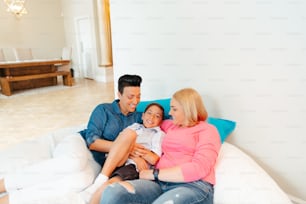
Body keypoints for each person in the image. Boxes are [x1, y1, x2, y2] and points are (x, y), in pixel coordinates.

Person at [0, 74, 143, 204]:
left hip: (98, 162)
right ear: (119, 94)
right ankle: (3, 185)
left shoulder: (138, 117)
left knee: (80, 181)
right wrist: (124, 147)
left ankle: (12, 199)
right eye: (131, 97)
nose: (135, 101)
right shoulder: (104, 110)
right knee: (73, 164)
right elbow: (92, 142)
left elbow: (161, 117)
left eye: (138, 96)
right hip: (80, 144)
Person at [100, 88, 222, 204]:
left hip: (191, 186)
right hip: (157, 184)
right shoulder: (170, 125)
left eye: (174, 109)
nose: (169, 113)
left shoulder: (208, 130)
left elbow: (199, 168)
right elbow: (147, 118)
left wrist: (154, 173)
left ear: (187, 109)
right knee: (113, 192)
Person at [89, 102, 166, 204]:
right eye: (149, 113)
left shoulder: (158, 134)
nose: (151, 117)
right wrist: (131, 151)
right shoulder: (135, 126)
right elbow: (120, 142)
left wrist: (133, 152)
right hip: (119, 158)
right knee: (128, 134)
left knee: (109, 185)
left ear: (161, 121)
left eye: (157, 116)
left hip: (133, 166)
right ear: (142, 116)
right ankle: (99, 183)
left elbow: (153, 158)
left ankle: (91, 197)